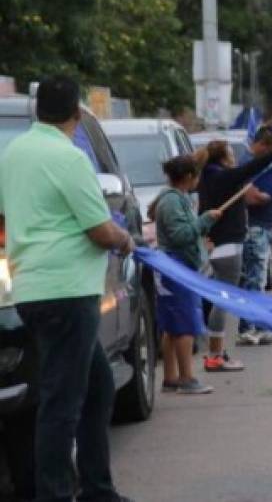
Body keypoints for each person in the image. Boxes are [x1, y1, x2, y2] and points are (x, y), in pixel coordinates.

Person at [0, 76, 136, 502]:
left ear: (39, 110)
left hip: (31, 288)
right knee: (61, 401)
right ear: (77, 114)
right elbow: (99, 229)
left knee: (97, 387)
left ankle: (97, 487)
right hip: (68, 292)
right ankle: (55, 493)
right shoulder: (70, 157)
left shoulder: (13, 152)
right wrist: (127, 239)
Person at [198, 137, 272, 371]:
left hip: (222, 243)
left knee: (223, 298)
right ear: (223, 156)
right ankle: (215, 355)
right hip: (227, 245)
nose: (234, 158)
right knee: (222, 300)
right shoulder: (220, 175)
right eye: (231, 153)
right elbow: (251, 168)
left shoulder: (210, 176)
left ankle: (217, 352)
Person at [152, 153, 220, 394]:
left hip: (172, 267)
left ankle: (170, 378)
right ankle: (187, 378)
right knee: (185, 325)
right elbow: (181, 235)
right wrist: (204, 221)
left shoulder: (172, 198)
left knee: (172, 325)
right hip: (177, 269)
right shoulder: (172, 201)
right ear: (189, 177)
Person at [237, 127, 272, 346]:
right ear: (264, 145)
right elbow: (250, 197)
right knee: (254, 280)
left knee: (258, 280)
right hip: (253, 228)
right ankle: (249, 327)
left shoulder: (259, 164)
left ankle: (259, 325)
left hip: (262, 226)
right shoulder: (248, 163)